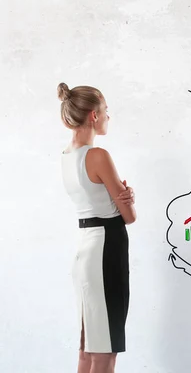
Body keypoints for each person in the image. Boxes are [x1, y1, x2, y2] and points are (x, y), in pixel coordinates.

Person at [58, 82, 137, 373]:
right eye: (106, 111)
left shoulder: (67, 157)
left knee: (87, 348)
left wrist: (120, 199)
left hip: (85, 249)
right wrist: (126, 200)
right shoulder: (97, 155)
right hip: (107, 250)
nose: (108, 117)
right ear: (93, 115)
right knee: (105, 350)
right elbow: (129, 216)